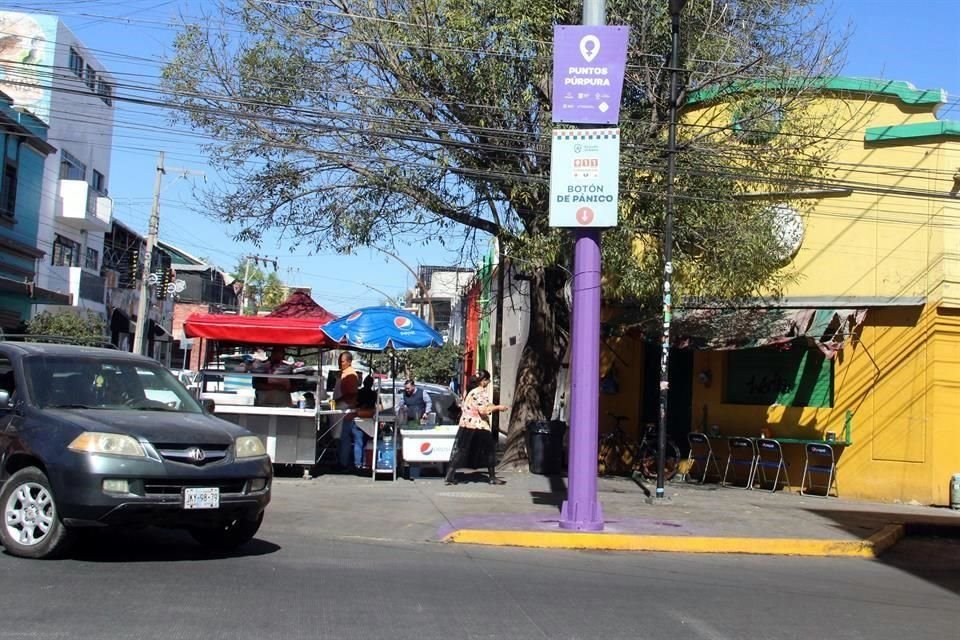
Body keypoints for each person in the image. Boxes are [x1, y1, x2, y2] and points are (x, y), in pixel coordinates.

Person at [445, 369, 509, 485]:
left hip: (466, 424)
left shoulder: (471, 391)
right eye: (488, 380)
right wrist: (498, 407)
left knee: (461, 449)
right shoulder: (480, 392)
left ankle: (449, 475)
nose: (489, 382)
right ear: (483, 381)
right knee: (489, 450)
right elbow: (483, 410)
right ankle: (492, 477)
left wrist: (492, 406)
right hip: (478, 425)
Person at [334, 351, 363, 471]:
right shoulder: (343, 373)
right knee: (342, 438)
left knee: (345, 437)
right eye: (340, 361)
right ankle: (343, 461)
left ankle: (345, 463)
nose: (341, 364)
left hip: (347, 409)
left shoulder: (350, 374)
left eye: (343, 361)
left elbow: (351, 394)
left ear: (349, 362)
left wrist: (337, 401)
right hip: (340, 408)